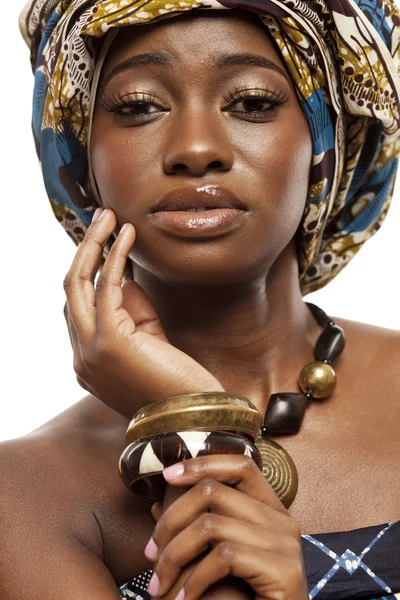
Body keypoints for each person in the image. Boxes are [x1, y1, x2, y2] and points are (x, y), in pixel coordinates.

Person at [1, 0, 400, 598]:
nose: (195, 147)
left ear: (326, 142)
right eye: (138, 107)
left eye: (252, 102)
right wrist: (189, 416)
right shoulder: (27, 497)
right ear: (81, 153)